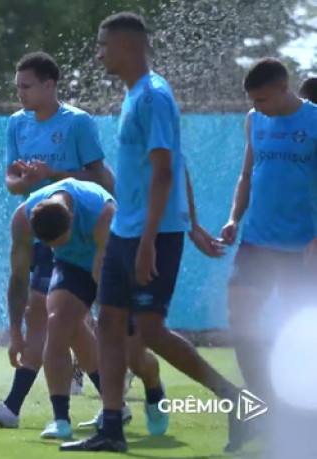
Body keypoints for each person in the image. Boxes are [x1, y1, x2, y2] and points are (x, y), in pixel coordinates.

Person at [60, 13, 250, 452]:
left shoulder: (153, 97)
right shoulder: (133, 96)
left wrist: (150, 242)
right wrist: (194, 223)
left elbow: (165, 172)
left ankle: (237, 400)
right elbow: (173, 165)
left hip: (152, 236)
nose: (99, 53)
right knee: (108, 322)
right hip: (127, 230)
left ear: (127, 47)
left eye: (104, 45)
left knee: (148, 330)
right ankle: (111, 427)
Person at [0, 51, 121, 429]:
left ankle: (14, 406)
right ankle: (112, 401)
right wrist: (24, 181)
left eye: (26, 86)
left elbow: (100, 179)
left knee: (43, 313)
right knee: (67, 326)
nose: (19, 93)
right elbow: (11, 182)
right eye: (17, 86)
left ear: (50, 85)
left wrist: (53, 173)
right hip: (41, 226)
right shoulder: (16, 124)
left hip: (75, 229)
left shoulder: (78, 122)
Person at [8, 179, 167, 441]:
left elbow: (101, 275)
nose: (53, 248)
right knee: (57, 321)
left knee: (130, 351)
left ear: (72, 219)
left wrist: (104, 316)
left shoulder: (102, 214)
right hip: (71, 265)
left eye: (59, 241)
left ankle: (153, 388)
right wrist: (16, 333)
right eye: (48, 245)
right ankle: (61, 420)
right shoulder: (23, 219)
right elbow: (18, 279)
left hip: (110, 261)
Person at [220, 58, 317, 414]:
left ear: (283, 87)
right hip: (256, 240)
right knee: (239, 316)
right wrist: (234, 218)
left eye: (262, 99)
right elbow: (248, 175)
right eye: (252, 100)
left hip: (301, 247)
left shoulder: (315, 121)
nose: (256, 107)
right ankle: (262, 404)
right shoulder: (254, 119)